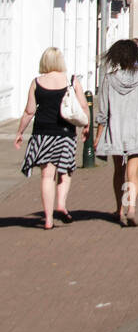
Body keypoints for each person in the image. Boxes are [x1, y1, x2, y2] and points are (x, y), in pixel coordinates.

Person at [14, 48, 88, 229]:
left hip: (42, 134)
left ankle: (48, 219)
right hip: (65, 134)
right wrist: (86, 125)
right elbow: (83, 105)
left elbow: (29, 111)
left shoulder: (36, 83)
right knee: (65, 171)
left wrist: (20, 132)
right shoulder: (71, 80)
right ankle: (61, 204)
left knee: (47, 176)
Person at [94, 39, 138, 227]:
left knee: (118, 171)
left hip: (116, 130)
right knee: (133, 172)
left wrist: (98, 135)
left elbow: (103, 111)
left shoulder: (109, 79)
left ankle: (119, 209)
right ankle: (132, 208)